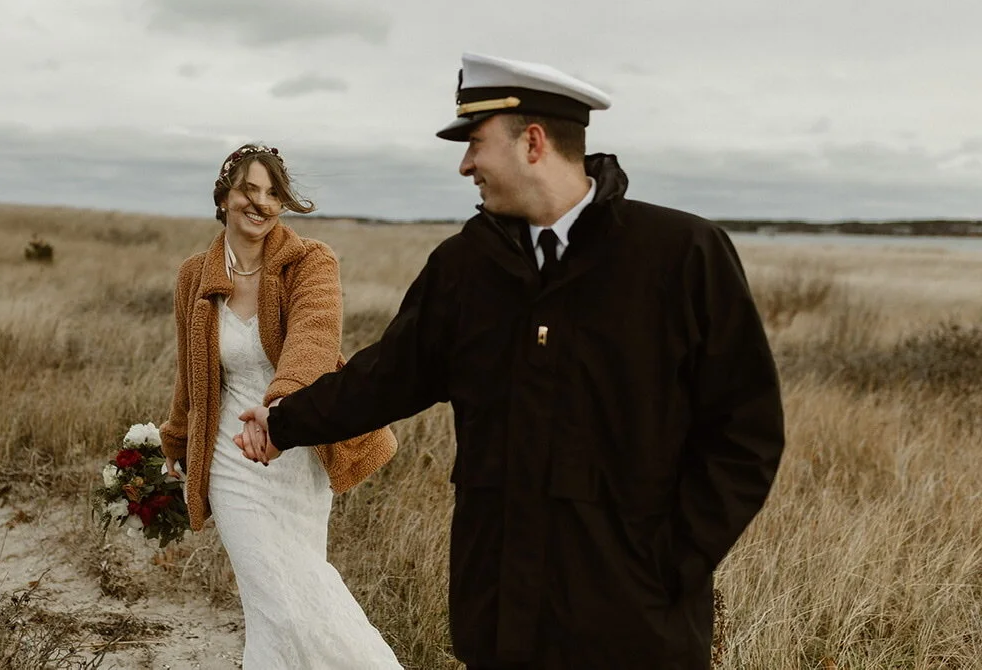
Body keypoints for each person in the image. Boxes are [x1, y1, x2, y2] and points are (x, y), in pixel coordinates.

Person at [237, 53, 785, 669]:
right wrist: (284, 423)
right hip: (503, 620)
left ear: (533, 142)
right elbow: (388, 376)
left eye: (475, 143)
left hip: (638, 630)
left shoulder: (682, 255)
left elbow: (747, 432)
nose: (465, 164)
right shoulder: (465, 266)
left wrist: (670, 564)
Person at [158, 143, 402, 670]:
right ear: (223, 198)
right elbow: (191, 371)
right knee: (282, 601)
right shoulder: (194, 276)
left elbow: (314, 338)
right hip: (231, 458)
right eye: (249, 189)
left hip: (297, 450)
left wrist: (282, 407)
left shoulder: (310, 260)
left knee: (292, 593)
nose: (261, 203)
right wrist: (176, 438)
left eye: (273, 193)